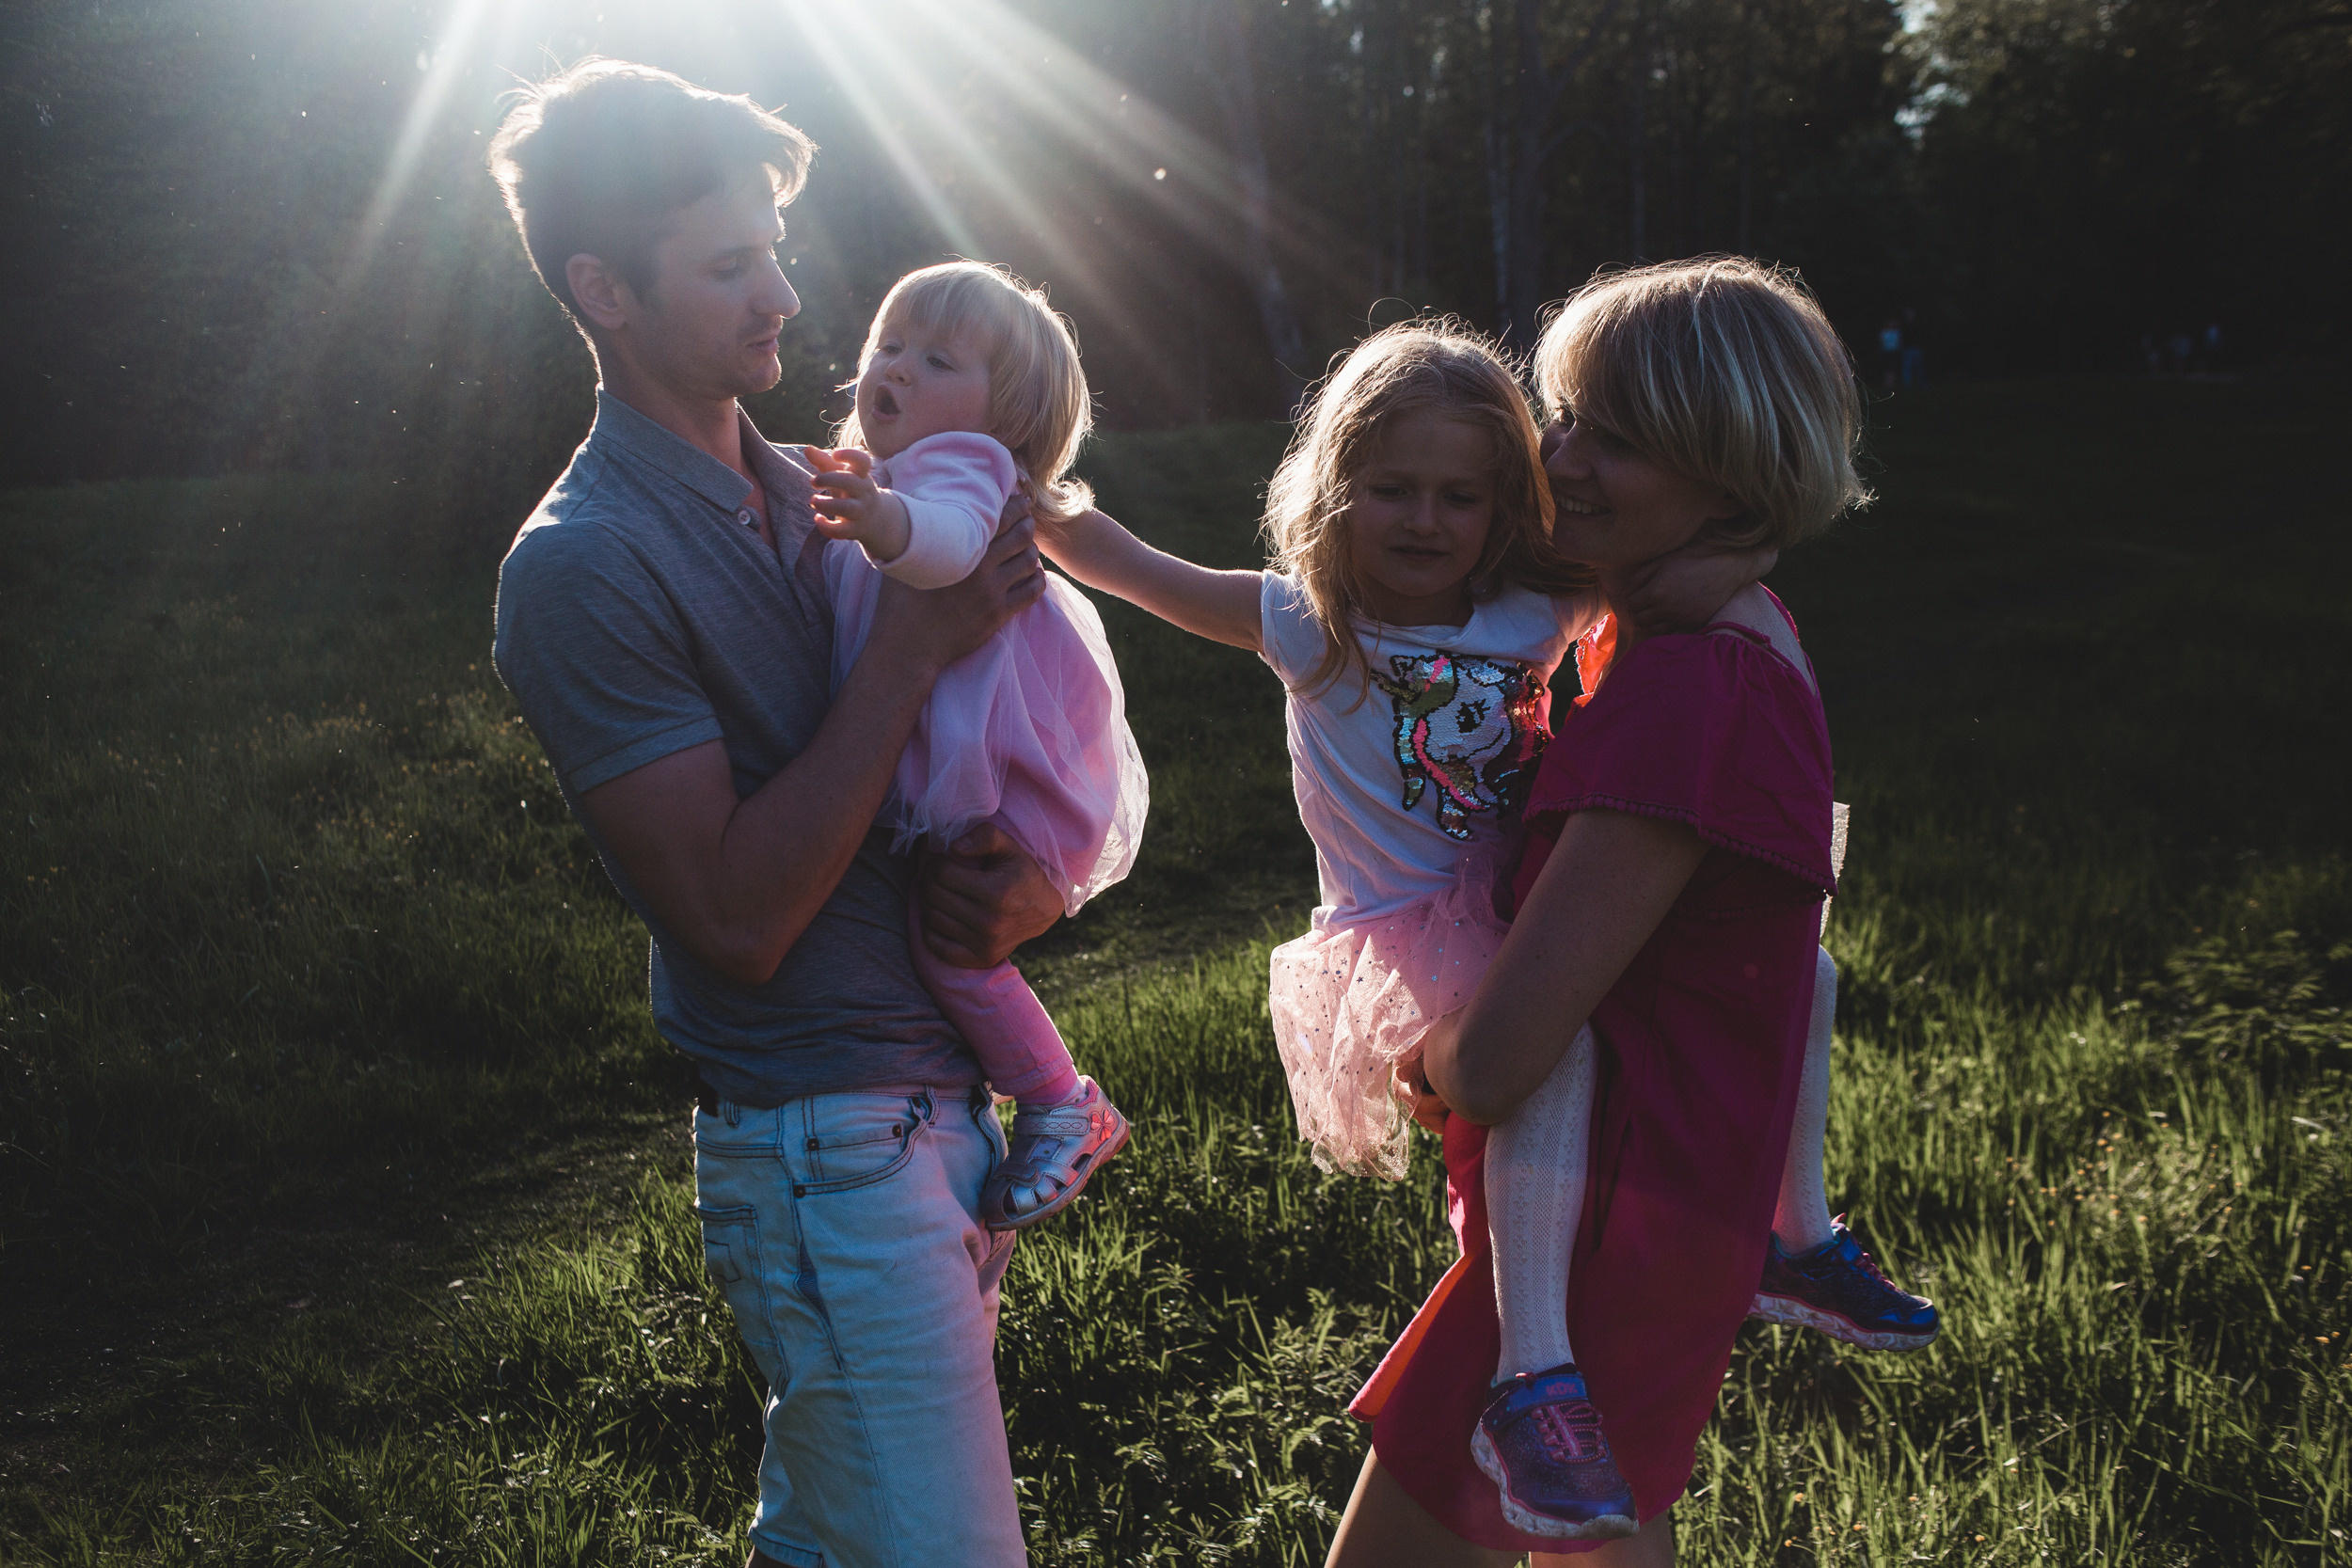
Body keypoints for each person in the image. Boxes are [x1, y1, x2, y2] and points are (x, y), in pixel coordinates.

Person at [1030, 320, 1773, 1539]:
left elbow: (1666, 573)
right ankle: (1535, 1364)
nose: (1424, 520)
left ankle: (1774, 1238)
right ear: (1338, 489)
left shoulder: (1531, 605)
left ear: (1502, 505)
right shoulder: (1309, 626)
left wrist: (1752, 530)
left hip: (1529, 905)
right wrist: (1024, 498)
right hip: (1409, 940)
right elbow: (1132, 563)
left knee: (1638, 1077)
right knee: (1545, 1078)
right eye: (1392, 489)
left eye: (1459, 494)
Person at [485, 60, 1064, 1568]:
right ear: (604, 288)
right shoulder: (583, 564)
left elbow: (1000, 751)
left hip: (935, 1111)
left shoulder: (835, 494)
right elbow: (736, 920)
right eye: (733, 264)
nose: (788, 300)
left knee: (835, 1536)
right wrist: (911, 651)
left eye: (778, 252)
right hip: (823, 1147)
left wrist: (1032, 889)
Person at [1327, 258, 1927, 1567]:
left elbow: (1500, 1059)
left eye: (1615, 433)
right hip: (1666, 1212)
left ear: (1727, 469)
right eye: (1564, 414)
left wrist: (1414, 1054)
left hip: (1595, 1224)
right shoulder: (1743, 632)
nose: (1560, 455)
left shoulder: (1689, 691)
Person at [806, 260, 1145, 1228]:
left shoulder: (963, 470)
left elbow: (950, 546)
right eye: (889, 344)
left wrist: (879, 521)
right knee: (938, 935)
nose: (897, 368)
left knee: (951, 946)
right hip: (950, 748)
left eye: (937, 357)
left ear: (1005, 419)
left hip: (999, 768)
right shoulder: (887, 473)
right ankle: (1028, 1097)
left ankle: (1058, 1101)